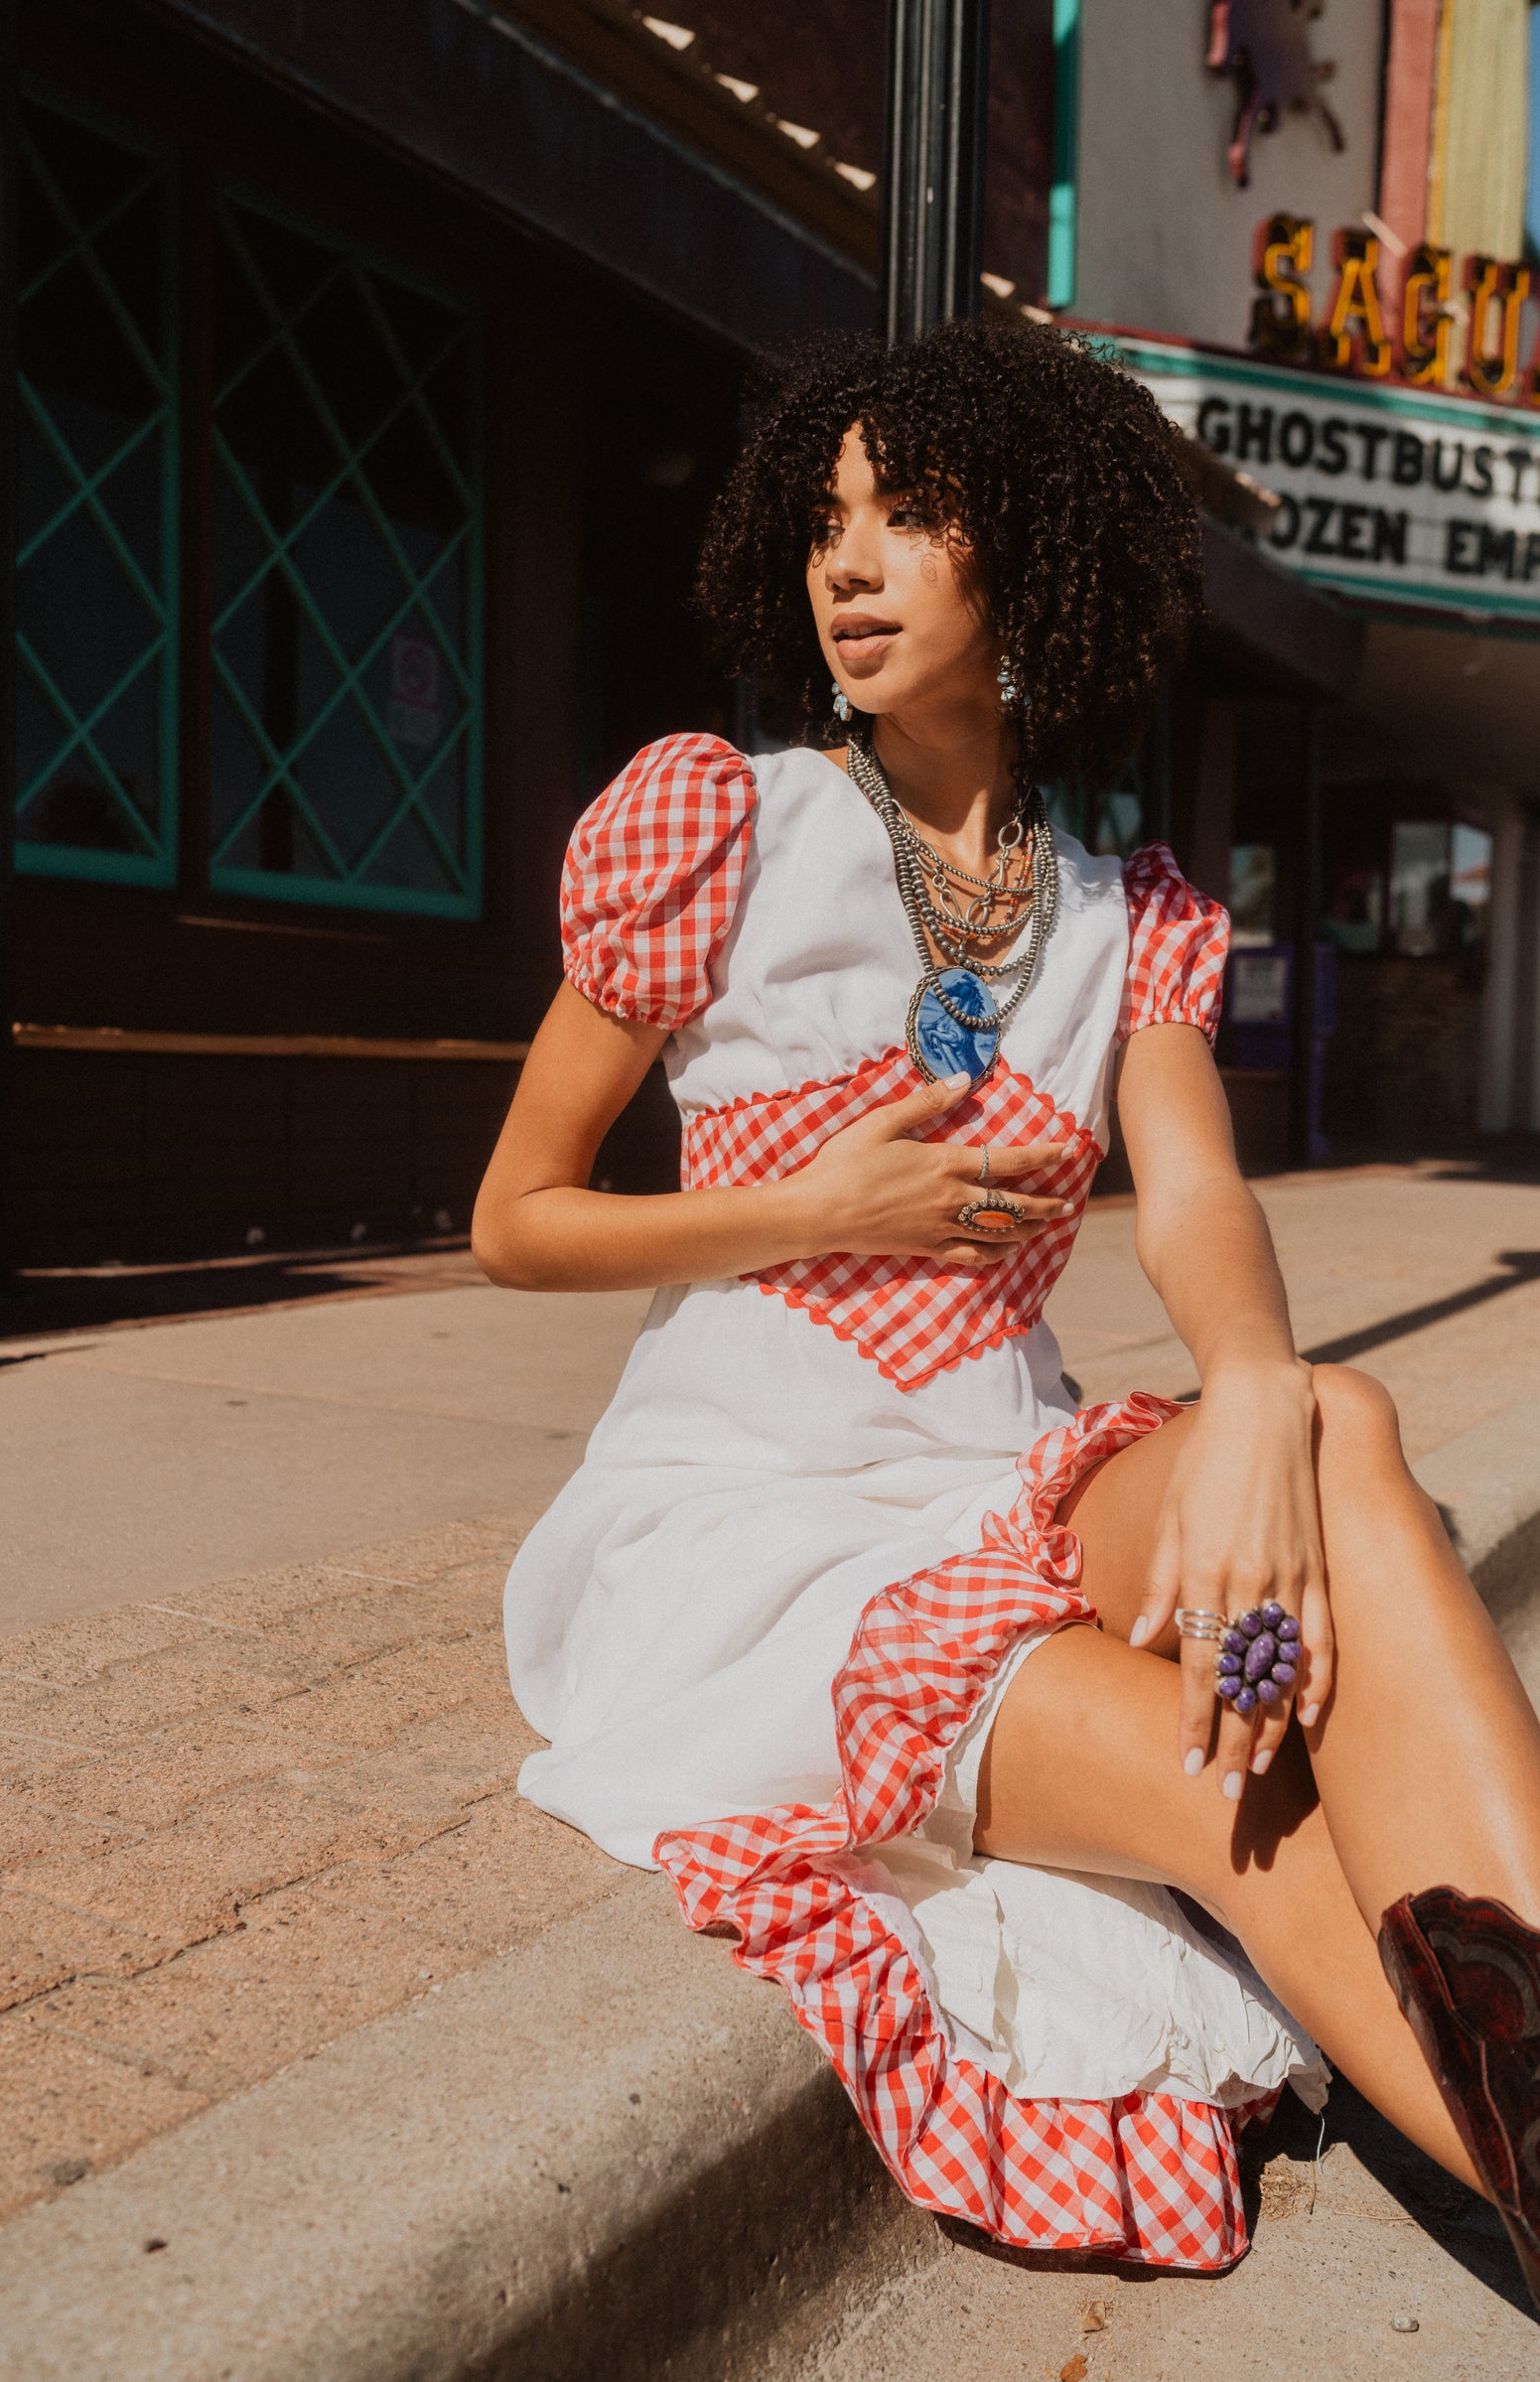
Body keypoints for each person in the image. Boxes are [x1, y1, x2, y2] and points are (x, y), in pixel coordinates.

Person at [473, 317, 1540, 2300]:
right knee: (1226, 1772)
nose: (847, 563)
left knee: (1329, 1423)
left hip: (1002, 1480)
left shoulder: (1122, 907)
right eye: (821, 523)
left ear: (1027, 551)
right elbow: (514, 1219)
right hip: (759, 1534)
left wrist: (1243, 1397)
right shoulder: (725, 827)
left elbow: (1197, 1200)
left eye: (910, 512)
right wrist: (805, 1204)